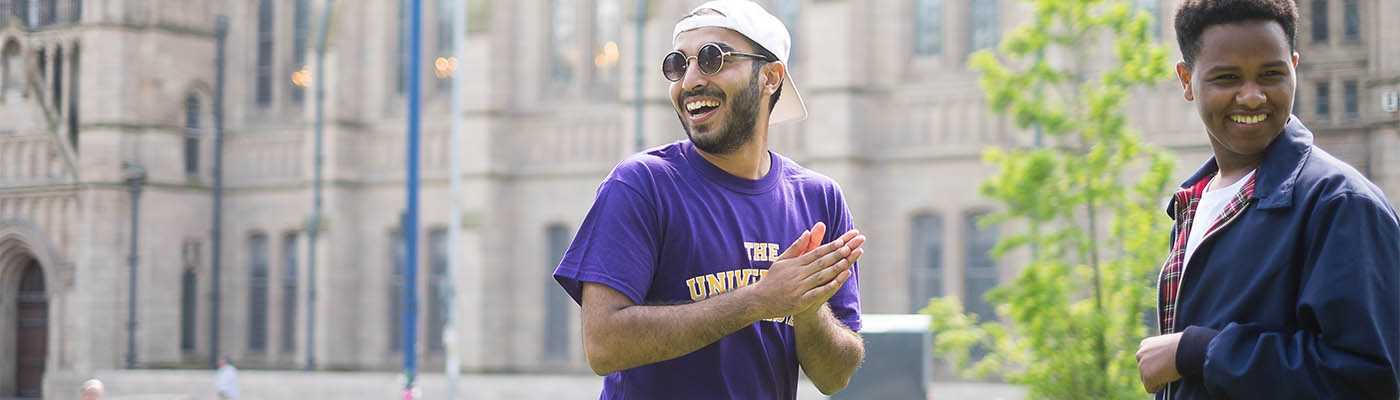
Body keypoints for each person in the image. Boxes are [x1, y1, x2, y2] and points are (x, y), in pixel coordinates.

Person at [551, 1, 866, 398]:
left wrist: (808, 310)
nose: (690, 81)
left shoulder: (819, 200)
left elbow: (835, 377)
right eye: (677, 65)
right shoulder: (642, 185)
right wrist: (757, 300)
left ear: (770, 77)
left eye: (713, 59)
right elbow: (603, 345)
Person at [1135, 0, 1400, 398]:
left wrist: (1197, 351)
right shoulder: (1193, 204)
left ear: (1294, 66)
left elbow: (1368, 380)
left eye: (1271, 74)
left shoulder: (1340, 205)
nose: (1253, 96)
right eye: (1227, 78)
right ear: (1187, 80)